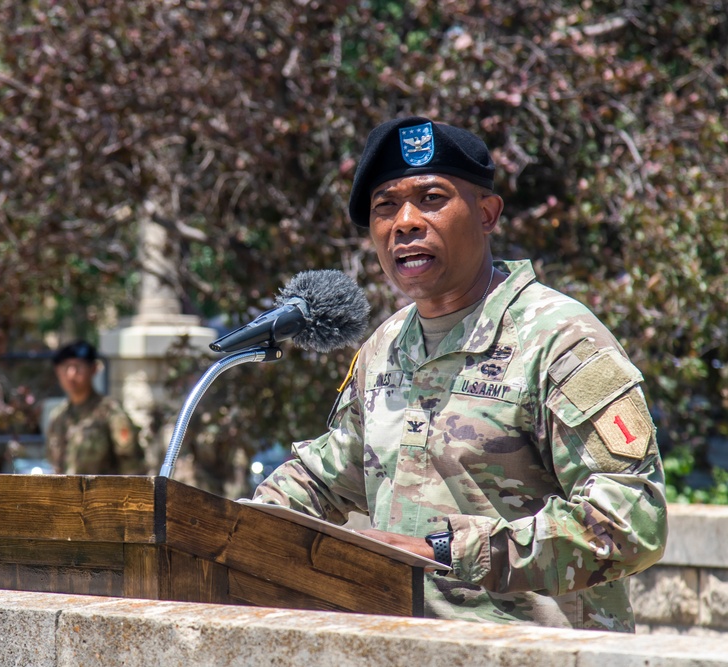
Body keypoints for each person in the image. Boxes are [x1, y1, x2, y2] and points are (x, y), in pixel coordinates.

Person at [251, 116, 667, 632]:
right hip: (406, 646)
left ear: (487, 213)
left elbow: (633, 521)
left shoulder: (559, 339)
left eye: (431, 198)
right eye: (386, 206)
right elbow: (330, 474)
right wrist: (229, 527)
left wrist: (452, 551)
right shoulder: (385, 345)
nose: (405, 222)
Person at [45, 340, 145, 475]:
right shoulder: (58, 417)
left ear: (93, 369)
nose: (71, 374)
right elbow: (54, 465)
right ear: (57, 371)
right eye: (65, 367)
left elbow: (130, 463)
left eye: (78, 366)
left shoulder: (110, 412)